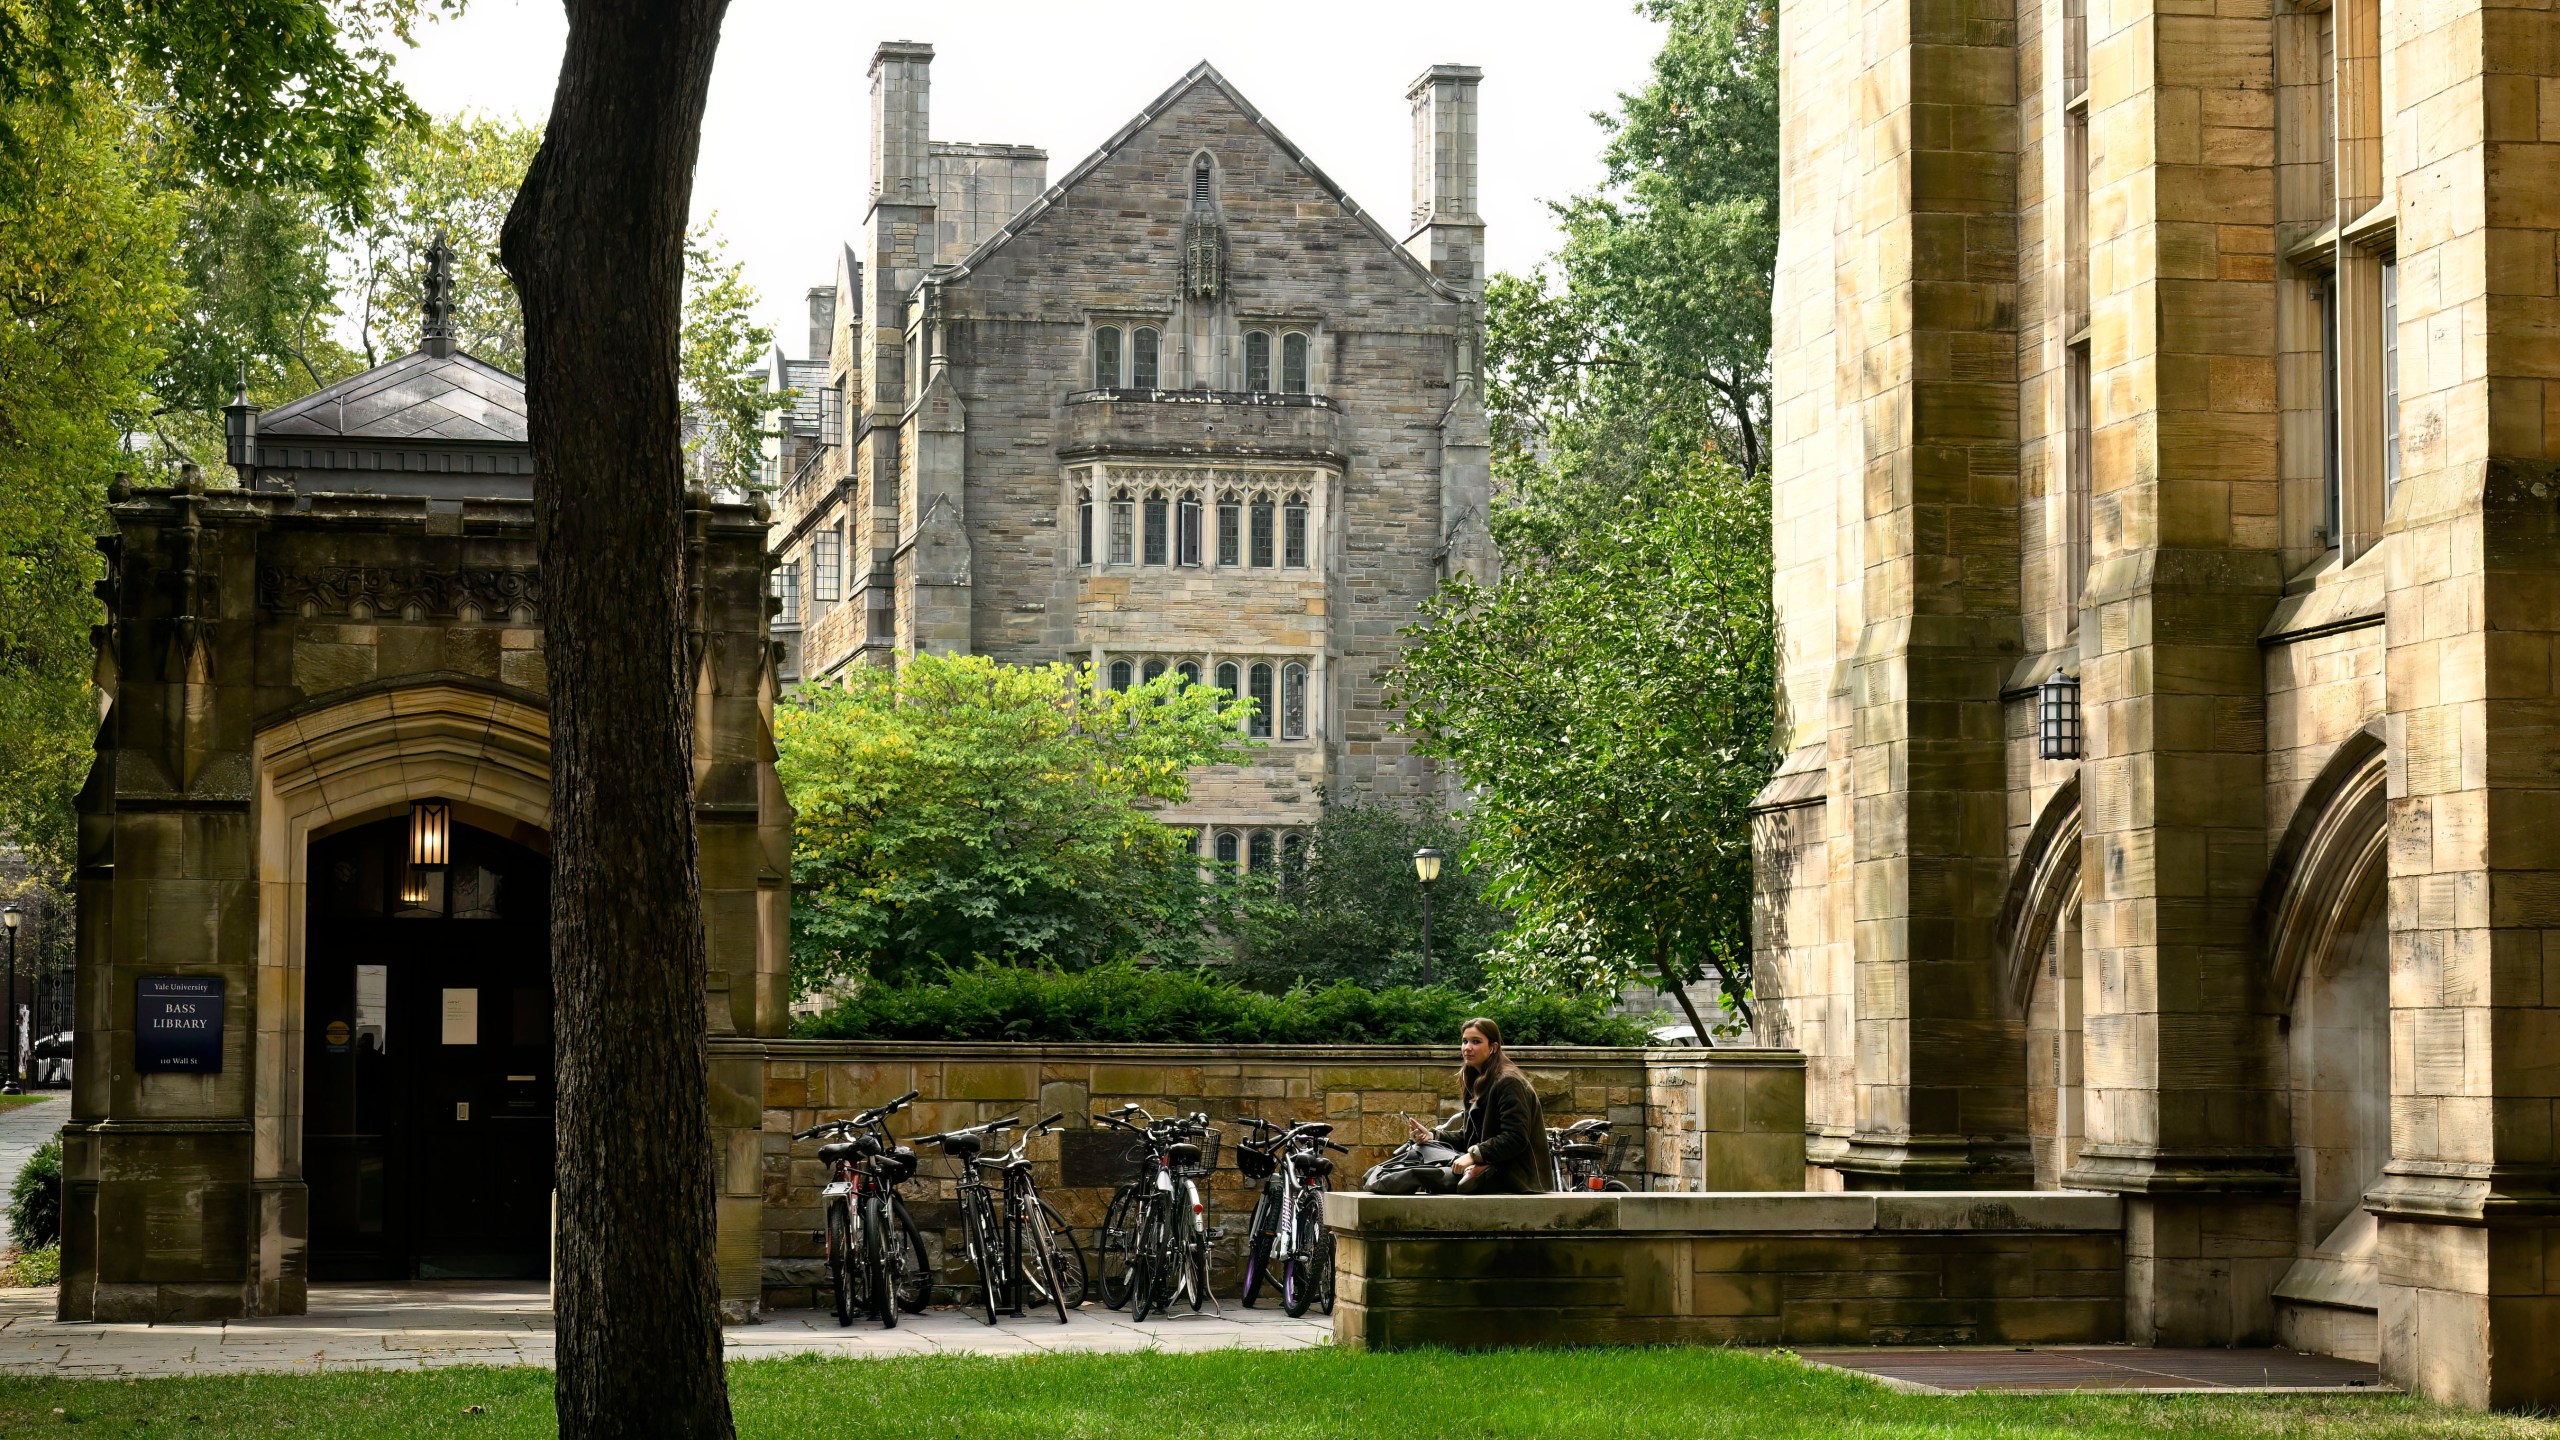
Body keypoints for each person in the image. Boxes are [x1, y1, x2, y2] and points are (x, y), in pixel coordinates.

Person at [1404, 1016, 1553, 1194]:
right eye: (1465, 1041)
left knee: (1429, 1178)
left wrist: (1473, 1156)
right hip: (1491, 1171)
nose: (1467, 1048)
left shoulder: (1508, 1082)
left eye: (1476, 1042)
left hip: (1518, 1179)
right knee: (1419, 1162)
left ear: (1493, 1047)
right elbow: (1470, 1137)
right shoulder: (1476, 1081)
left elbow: (1515, 1137)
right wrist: (1433, 1136)